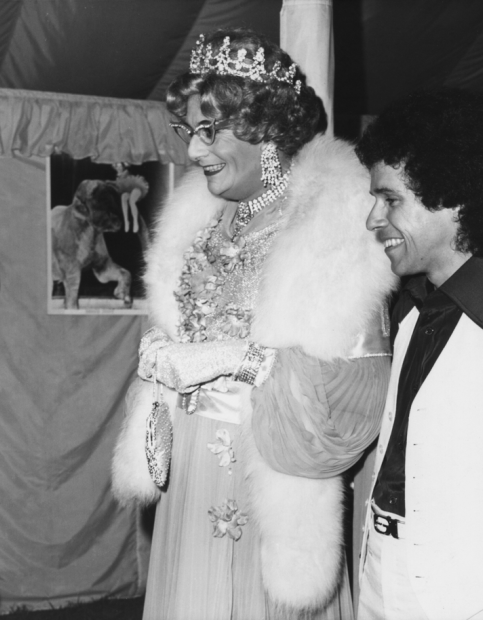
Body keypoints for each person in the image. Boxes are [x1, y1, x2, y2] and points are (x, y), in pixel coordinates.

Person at [112, 29, 396, 620]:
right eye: (188, 133)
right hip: (189, 472)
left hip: (267, 472)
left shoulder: (334, 229)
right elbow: (178, 328)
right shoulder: (197, 227)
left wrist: (236, 359)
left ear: (264, 125)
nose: (192, 152)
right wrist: (161, 357)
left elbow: (358, 396)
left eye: (208, 131)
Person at [355, 88, 483, 620]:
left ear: (453, 196)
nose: (373, 219)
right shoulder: (411, 312)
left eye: (390, 199)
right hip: (378, 581)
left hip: (476, 599)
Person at [111, 162, 149, 233]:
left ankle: (135, 222)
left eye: (120, 166)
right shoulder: (117, 176)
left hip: (137, 187)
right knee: (123, 197)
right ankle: (126, 222)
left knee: (132, 200)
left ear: (123, 167)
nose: (119, 168)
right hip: (129, 190)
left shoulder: (126, 172)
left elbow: (127, 177)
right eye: (117, 166)